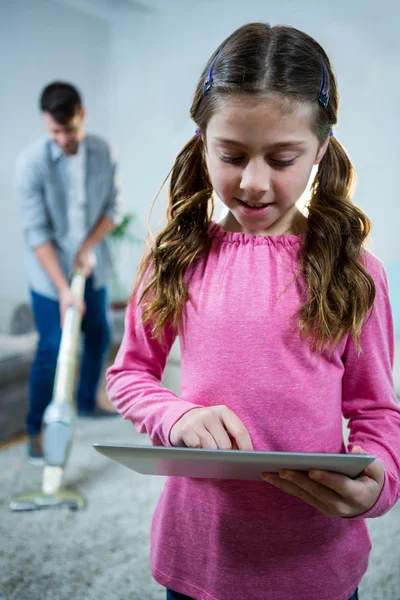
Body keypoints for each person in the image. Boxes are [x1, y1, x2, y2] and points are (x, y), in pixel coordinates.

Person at [106, 22, 400, 600]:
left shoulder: (357, 273)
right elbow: (130, 375)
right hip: (199, 554)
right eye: (232, 156)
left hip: (316, 561)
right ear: (202, 142)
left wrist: (381, 481)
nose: (255, 182)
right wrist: (175, 417)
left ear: (320, 149)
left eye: (283, 157)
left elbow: (377, 411)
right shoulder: (176, 258)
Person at [15, 82, 121, 464]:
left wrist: (87, 247)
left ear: (83, 116)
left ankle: (88, 401)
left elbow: (112, 208)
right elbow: (37, 234)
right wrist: (63, 289)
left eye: (69, 130)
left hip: (91, 265)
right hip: (49, 275)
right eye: (55, 132)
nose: (63, 139)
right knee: (54, 346)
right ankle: (36, 430)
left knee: (99, 333)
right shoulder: (31, 165)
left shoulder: (102, 152)